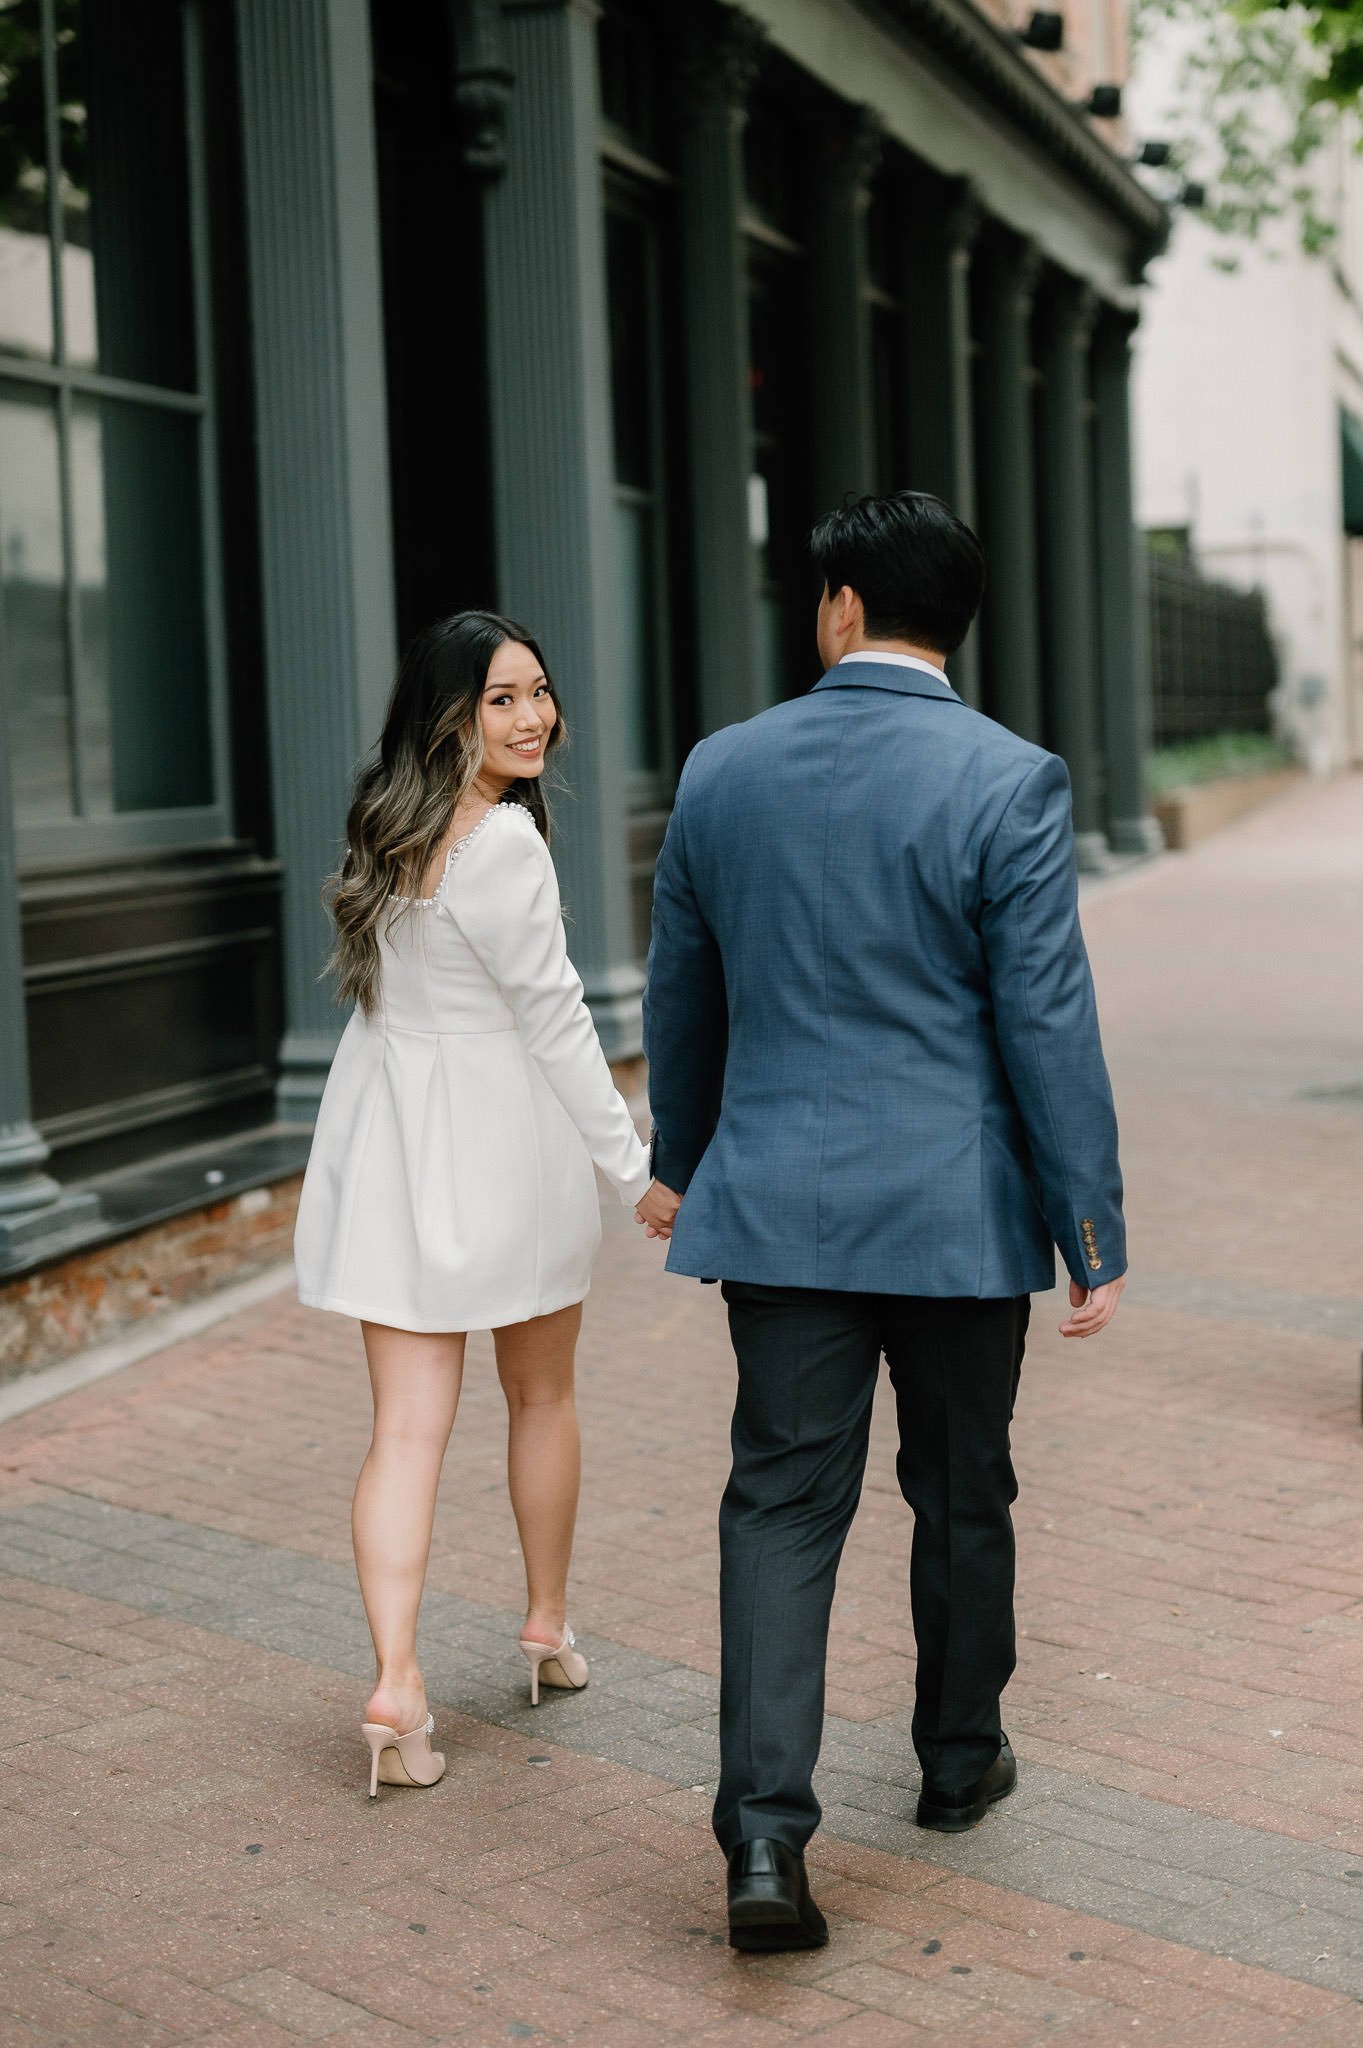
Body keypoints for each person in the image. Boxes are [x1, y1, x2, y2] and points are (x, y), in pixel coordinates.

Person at [637, 491, 1127, 1952]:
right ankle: (956, 1761)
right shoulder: (1008, 780)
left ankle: (765, 1847)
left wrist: (683, 1157)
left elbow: (682, 998)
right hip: (955, 1216)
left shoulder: (722, 772)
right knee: (962, 1489)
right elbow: (1045, 1022)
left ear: (841, 604)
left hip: (777, 1211)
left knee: (780, 1507)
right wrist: (1084, 1227)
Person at [294, 611, 652, 1800]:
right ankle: (545, 1625)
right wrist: (633, 1165)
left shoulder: (387, 826)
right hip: (500, 1145)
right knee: (539, 1391)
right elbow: (553, 1018)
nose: (534, 715)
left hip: (393, 1145)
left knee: (404, 1428)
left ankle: (398, 1679)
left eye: (540, 691)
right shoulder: (503, 844)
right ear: (451, 711)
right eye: (502, 697)